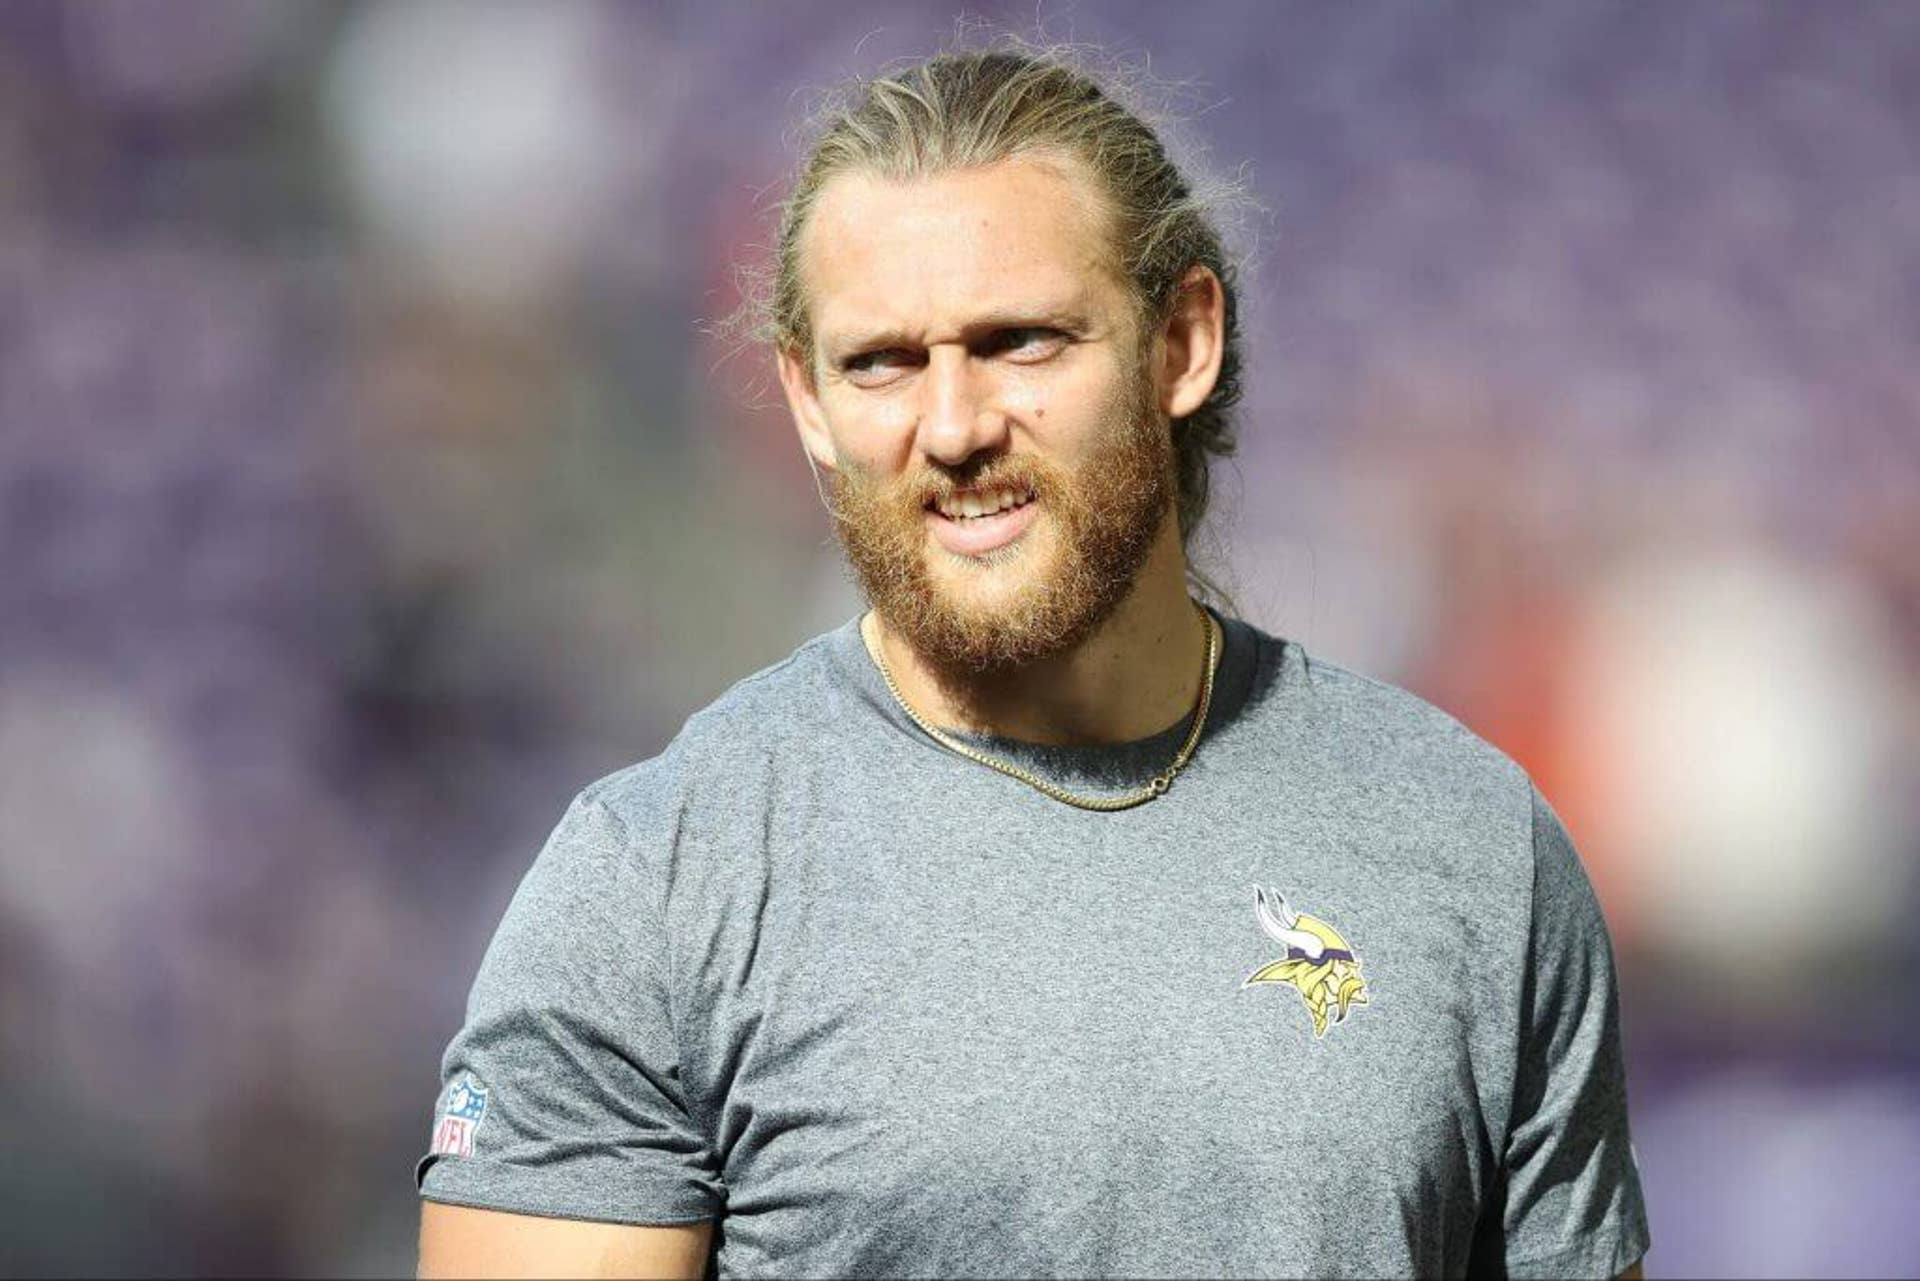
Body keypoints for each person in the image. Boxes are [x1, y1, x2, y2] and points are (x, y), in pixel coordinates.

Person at [415, 43, 1651, 1281]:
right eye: (881, 362)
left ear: (1183, 343)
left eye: (1021, 343)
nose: (951, 429)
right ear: (804, 399)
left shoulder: (1471, 847)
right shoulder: (656, 887)